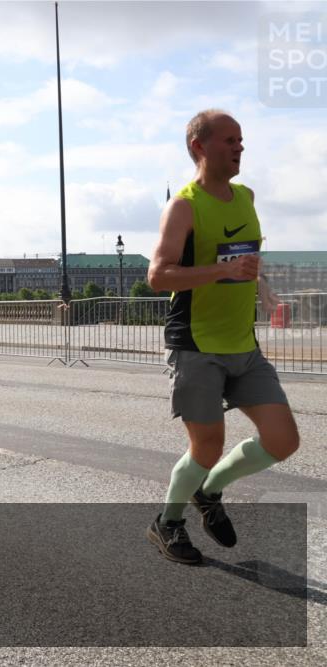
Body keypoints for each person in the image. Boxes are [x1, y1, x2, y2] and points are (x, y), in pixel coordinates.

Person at [146, 109, 300, 565]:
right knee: (207, 446)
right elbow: (158, 276)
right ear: (199, 146)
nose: (239, 147)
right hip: (197, 346)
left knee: (283, 440)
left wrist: (262, 285)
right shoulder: (184, 206)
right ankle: (167, 522)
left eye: (241, 140)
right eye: (229, 140)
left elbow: (248, 257)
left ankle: (208, 492)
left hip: (243, 346)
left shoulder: (246, 196)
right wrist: (222, 271)